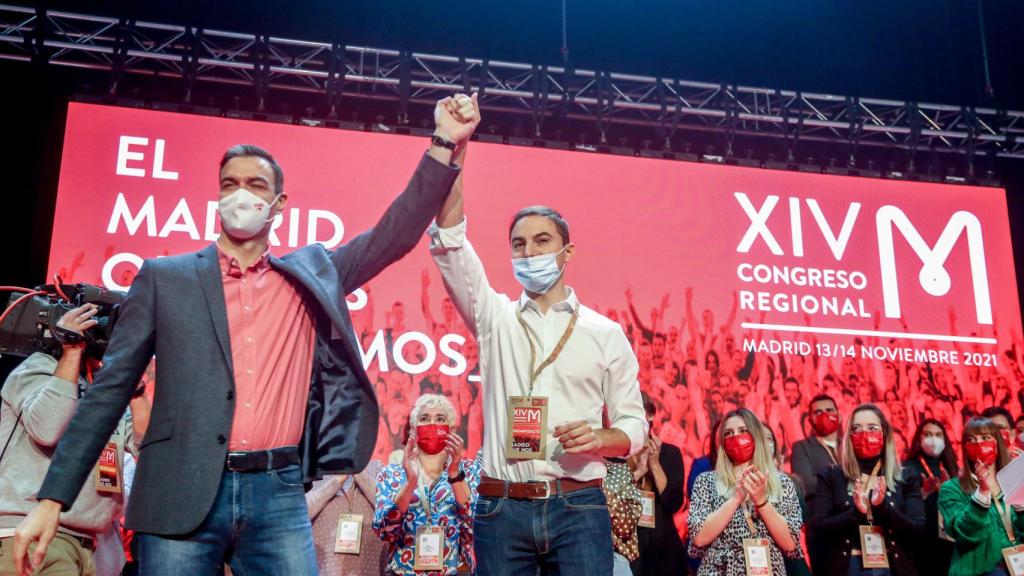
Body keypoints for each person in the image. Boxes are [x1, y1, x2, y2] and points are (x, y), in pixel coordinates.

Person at [14, 94, 481, 575]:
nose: (242, 195)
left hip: (275, 492)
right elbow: (108, 391)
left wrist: (445, 141)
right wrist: (53, 498)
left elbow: (395, 234)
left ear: (278, 204)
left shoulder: (309, 275)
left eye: (256, 184)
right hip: (180, 488)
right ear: (218, 197)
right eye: (230, 184)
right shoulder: (165, 278)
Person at [427, 102, 648, 576]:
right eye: (519, 244)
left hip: (578, 506)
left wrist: (602, 437)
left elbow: (633, 424)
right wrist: (457, 148)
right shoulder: (494, 317)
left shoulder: (605, 333)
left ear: (567, 252)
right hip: (501, 508)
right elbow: (449, 239)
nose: (529, 253)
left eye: (542, 241)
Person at [0, 305, 150, 576]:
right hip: (34, 535)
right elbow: (47, 429)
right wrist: (71, 351)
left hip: (91, 545)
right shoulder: (37, 368)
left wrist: (137, 393)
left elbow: (148, 446)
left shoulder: (105, 388)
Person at [810, 403, 924, 576]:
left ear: (885, 433)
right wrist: (855, 513)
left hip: (894, 565)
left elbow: (918, 531)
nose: (865, 434)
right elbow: (819, 527)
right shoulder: (832, 475)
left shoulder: (905, 476)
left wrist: (883, 507)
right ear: (849, 436)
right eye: (857, 428)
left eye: (872, 427)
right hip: (849, 565)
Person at [373, 394, 481, 575]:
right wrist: (411, 482)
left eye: (440, 419)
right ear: (413, 429)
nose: (432, 423)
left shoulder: (469, 471)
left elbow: (475, 525)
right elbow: (384, 531)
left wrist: (454, 474)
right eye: (424, 418)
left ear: (451, 429)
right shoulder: (391, 474)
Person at [688, 408, 804, 576]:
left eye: (743, 431)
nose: (736, 437)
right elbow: (699, 537)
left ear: (756, 435)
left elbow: (790, 543)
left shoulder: (782, 482)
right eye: (728, 433)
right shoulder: (706, 481)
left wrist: (762, 502)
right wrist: (736, 498)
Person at [938, 417, 1024, 576]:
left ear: (997, 443)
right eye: (971, 439)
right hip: (980, 571)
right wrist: (983, 492)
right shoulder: (951, 489)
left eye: (985, 438)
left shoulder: (1014, 480)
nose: (978, 444)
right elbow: (966, 535)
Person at [629, 393, 685, 576]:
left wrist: (654, 464)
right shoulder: (616, 456)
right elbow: (612, 500)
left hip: (663, 546)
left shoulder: (670, 453)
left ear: (650, 415)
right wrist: (638, 472)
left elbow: (674, 503)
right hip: (629, 544)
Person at [789, 393, 842, 574]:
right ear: (810, 418)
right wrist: (842, 476)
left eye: (829, 410)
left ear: (838, 413)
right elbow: (805, 484)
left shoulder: (851, 445)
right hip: (822, 529)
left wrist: (827, 478)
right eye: (817, 412)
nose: (824, 415)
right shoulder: (802, 447)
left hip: (854, 524)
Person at [305, 460, 385, 575]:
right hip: (324, 566)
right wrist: (336, 481)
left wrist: (357, 471)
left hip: (366, 566)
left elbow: (388, 509)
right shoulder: (313, 468)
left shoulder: (375, 467)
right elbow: (301, 513)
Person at [902, 418, 959, 576]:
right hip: (920, 543)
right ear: (918, 439)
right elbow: (900, 508)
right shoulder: (906, 467)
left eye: (938, 435)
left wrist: (951, 492)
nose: (933, 439)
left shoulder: (953, 466)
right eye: (927, 434)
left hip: (949, 542)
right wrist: (923, 493)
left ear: (945, 439)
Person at [603, 458, 642, 576]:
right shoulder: (565, 475)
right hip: (572, 556)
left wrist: (600, 491)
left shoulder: (619, 471)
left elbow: (625, 527)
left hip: (614, 558)